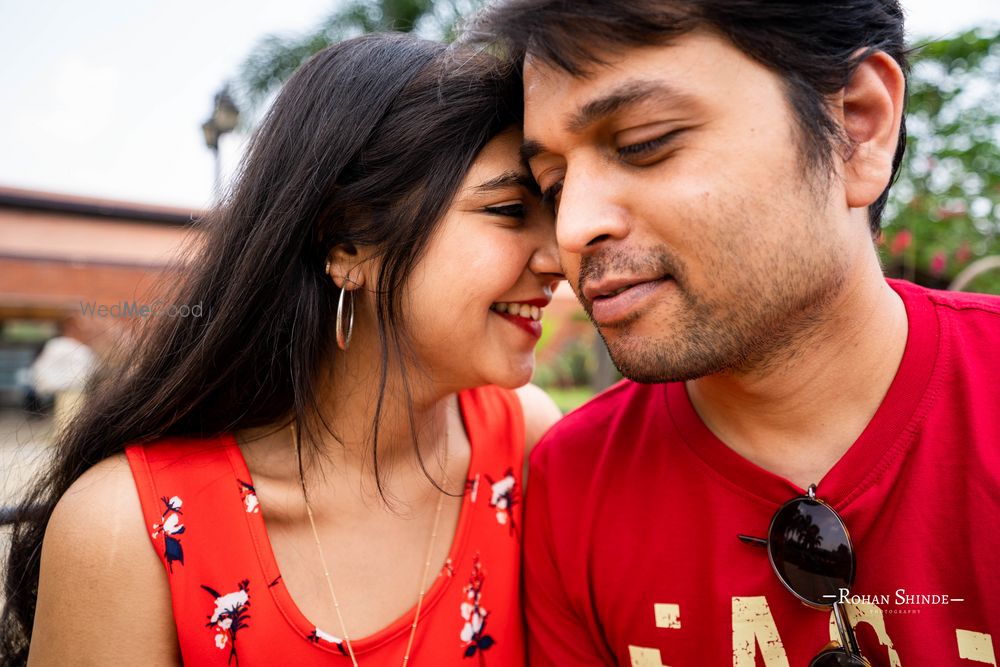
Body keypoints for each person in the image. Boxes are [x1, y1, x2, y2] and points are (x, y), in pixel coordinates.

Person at [1, 33, 563, 666]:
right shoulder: (129, 532)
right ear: (347, 243)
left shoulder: (524, 445)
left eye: (554, 207)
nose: (560, 257)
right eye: (512, 210)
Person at [471, 1, 1000, 665]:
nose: (572, 228)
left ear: (857, 128)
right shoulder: (575, 484)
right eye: (553, 184)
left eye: (644, 142)